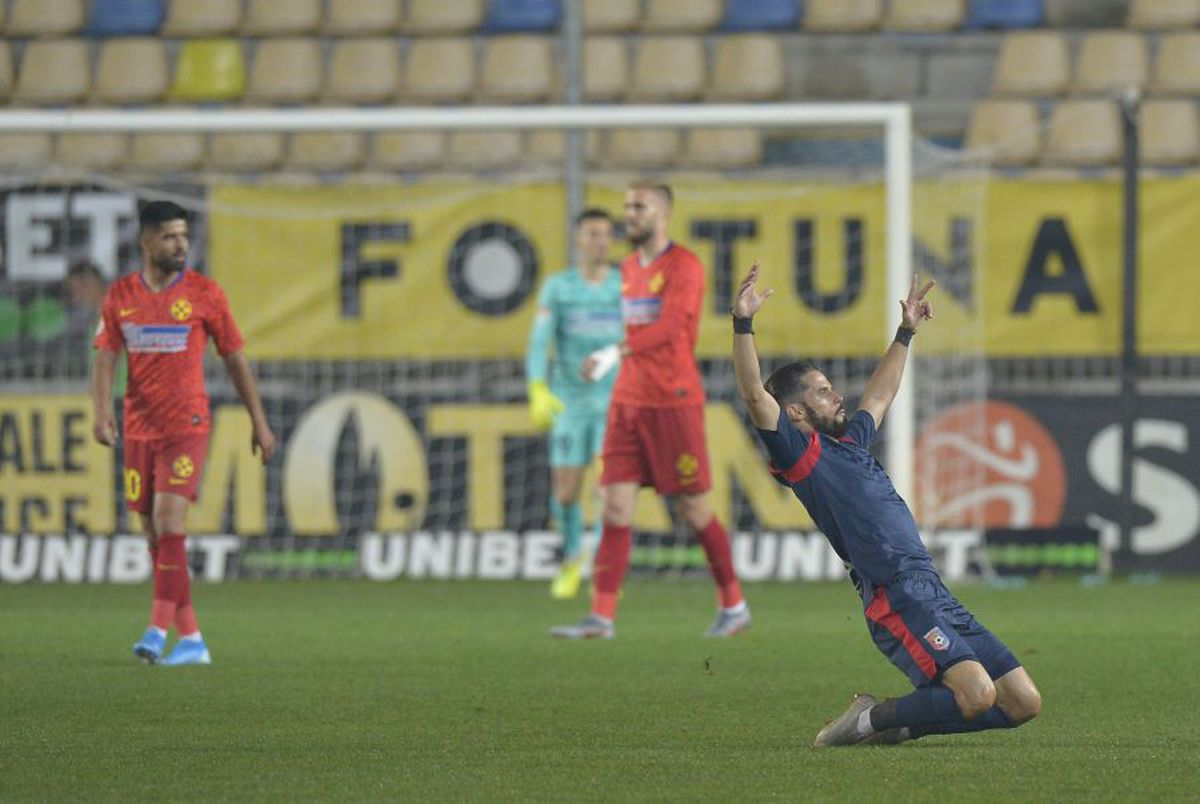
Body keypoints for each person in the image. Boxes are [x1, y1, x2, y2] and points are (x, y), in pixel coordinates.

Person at [729, 262, 1042, 746]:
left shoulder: (850, 445)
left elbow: (880, 394)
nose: (837, 395)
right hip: (895, 594)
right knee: (977, 695)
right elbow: (753, 394)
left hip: (932, 588)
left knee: (1023, 703)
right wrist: (743, 325)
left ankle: (895, 724)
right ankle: (869, 718)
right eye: (822, 391)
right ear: (795, 412)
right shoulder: (800, 455)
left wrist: (905, 332)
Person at [551, 181, 749, 639]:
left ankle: (734, 605)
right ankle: (601, 617)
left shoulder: (684, 266)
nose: (629, 214)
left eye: (637, 207)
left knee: (694, 508)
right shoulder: (626, 268)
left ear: (662, 213)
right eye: (626, 206)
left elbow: (669, 328)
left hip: (672, 402)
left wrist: (611, 353)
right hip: (627, 403)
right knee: (614, 507)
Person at [91, 201, 277, 666]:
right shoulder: (119, 296)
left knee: (172, 523)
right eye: (170, 237)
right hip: (138, 428)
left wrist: (259, 420)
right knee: (155, 535)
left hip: (187, 425)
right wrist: (101, 413)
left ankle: (156, 630)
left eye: (184, 236)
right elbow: (105, 356)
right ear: (147, 242)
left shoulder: (204, 293)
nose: (181, 245)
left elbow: (234, 356)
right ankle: (192, 639)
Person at [526, 208, 623, 599]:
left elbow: (638, 338)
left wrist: (609, 358)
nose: (600, 241)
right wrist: (536, 385)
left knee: (608, 490)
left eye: (605, 235)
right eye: (592, 234)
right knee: (565, 493)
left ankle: (601, 563)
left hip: (612, 404)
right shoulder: (558, 287)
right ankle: (571, 557)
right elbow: (538, 340)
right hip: (569, 402)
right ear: (579, 239)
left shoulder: (623, 286)